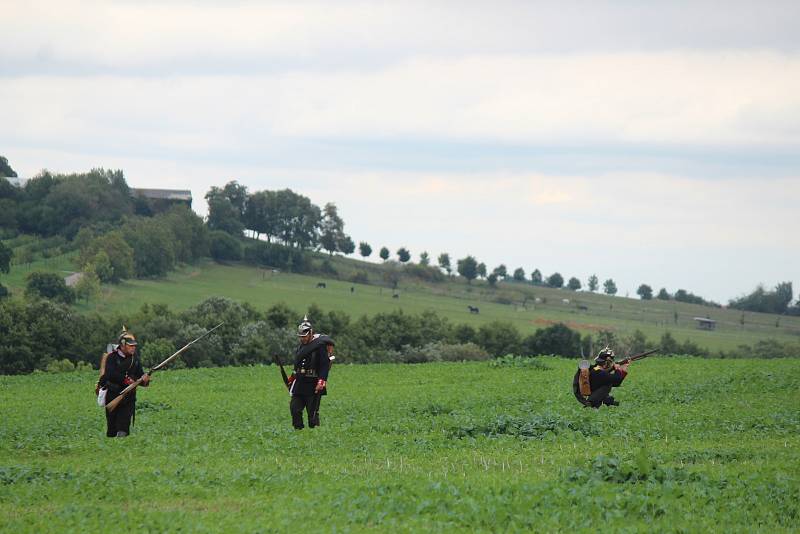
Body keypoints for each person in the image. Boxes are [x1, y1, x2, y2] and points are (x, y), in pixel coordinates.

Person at [98, 329, 150, 437]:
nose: (133, 348)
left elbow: (140, 375)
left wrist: (144, 380)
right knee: (112, 431)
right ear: (122, 345)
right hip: (112, 395)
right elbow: (110, 374)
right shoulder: (112, 358)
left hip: (128, 398)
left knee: (123, 428)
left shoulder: (135, 360)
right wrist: (126, 380)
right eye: (130, 345)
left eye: (134, 346)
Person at [288, 315, 334, 429]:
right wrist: (292, 378)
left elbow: (324, 366)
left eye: (304, 336)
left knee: (312, 416)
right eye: (300, 336)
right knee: (295, 409)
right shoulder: (300, 348)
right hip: (300, 384)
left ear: (310, 334)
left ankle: (314, 436)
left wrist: (321, 382)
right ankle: (298, 433)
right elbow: (297, 366)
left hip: (313, 385)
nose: (302, 339)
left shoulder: (319, 346)